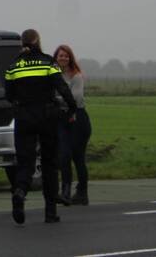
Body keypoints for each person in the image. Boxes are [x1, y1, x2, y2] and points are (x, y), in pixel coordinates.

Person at [4, 28, 76, 225]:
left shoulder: (14, 66)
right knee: (49, 164)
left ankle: (19, 192)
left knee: (25, 163)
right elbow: (62, 87)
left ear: (23, 43)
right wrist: (72, 107)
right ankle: (50, 212)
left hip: (24, 118)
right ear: (37, 41)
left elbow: (9, 95)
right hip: (46, 117)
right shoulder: (48, 62)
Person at [54, 44, 91, 206]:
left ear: (70, 58)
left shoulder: (76, 76)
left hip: (78, 118)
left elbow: (75, 98)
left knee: (78, 157)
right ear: (56, 57)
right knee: (63, 155)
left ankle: (82, 192)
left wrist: (57, 99)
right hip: (62, 118)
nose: (63, 58)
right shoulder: (53, 75)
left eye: (66, 56)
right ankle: (66, 192)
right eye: (60, 55)